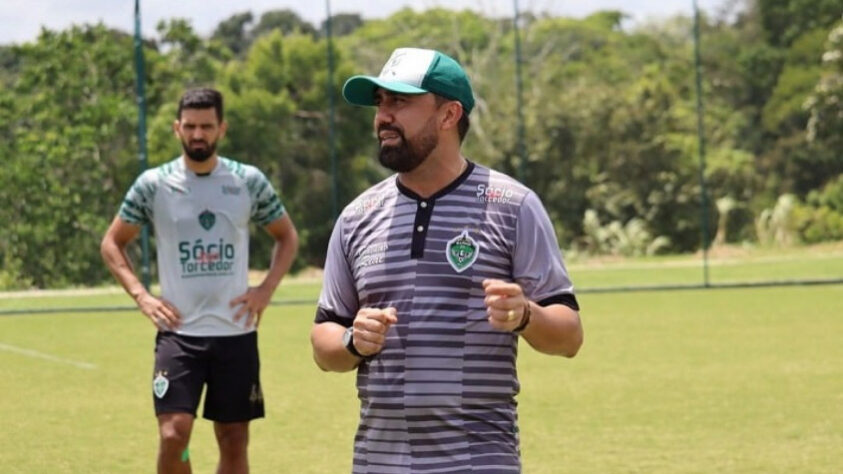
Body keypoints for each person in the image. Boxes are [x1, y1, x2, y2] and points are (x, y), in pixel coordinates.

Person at [310, 48, 584, 473]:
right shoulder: (356, 217)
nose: (383, 116)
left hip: (478, 461)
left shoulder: (512, 206)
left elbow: (569, 337)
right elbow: (324, 342)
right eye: (380, 103)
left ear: (449, 114)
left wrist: (525, 314)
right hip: (379, 462)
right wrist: (352, 341)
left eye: (399, 101)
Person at [101, 87, 298, 474]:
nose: (198, 135)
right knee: (175, 436)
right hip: (178, 333)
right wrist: (142, 297)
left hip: (236, 333)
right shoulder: (153, 184)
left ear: (221, 128)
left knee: (234, 440)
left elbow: (287, 236)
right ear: (177, 128)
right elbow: (112, 243)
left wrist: (265, 290)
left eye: (206, 126)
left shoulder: (248, 181)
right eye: (190, 126)